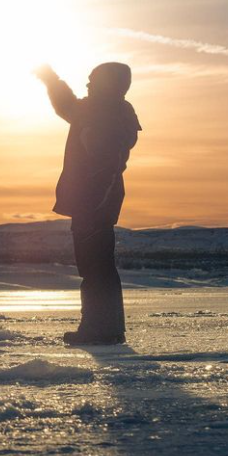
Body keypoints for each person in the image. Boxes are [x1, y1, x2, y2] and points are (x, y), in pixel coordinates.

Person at [35, 63, 141, 345]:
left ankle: (100, 330)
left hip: (94, 201)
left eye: (93, 80)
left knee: (96, 267)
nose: (88, 85)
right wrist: (51, 80)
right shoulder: (97, 111)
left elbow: (107, 164)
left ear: (108, 83)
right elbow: (66, 104)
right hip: (91, 200)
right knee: (96, 266)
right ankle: (105, 328)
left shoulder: (109, 115)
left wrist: (96, 201)